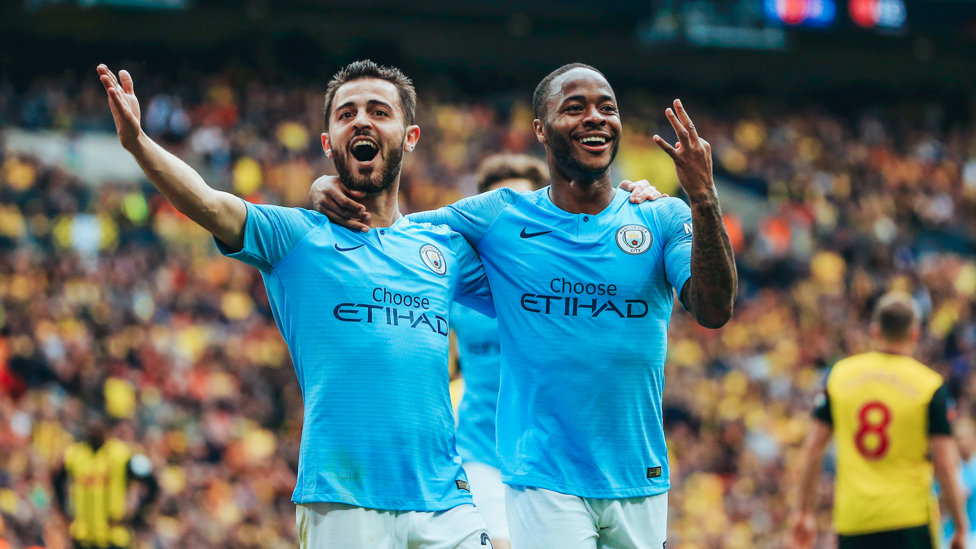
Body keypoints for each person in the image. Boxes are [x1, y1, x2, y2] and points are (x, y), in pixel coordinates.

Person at [311, 62, 737, 549]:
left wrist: (703, 198)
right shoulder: (501, 217)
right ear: (540, 129)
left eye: (607, 108)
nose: (595, 118)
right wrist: (329, 189)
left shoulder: (661, 215)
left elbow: (714, 309)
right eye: (574, 108)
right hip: (538, 474)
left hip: (639, 471)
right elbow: (390, 229)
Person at [97, 60, 497, 548]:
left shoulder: (444, 247)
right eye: (346, 114)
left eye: (378, 111)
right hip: (342, 500)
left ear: (410, 136)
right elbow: (206, 201)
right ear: (328, 142)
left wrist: (617, 209)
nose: (362, 121)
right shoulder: (295, 236)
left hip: (446, 501)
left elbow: (540, 267)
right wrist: (138, 142)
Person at [789, 291, 968, 549]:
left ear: (874, 331)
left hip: (855, 520)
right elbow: (945, 463)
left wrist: (803, 512)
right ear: (914, 334)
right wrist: (960, 527)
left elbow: (813, 448)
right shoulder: (929, 386)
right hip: (909, 519)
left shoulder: (840, 377)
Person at [53, 414, 158, 549]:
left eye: (99, 429)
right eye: (92, 429)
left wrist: (137, 514)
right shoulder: (75, 454)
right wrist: (64, 509)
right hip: (83, 534)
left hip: (113, 535)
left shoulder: (121, 455)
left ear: (107, 431)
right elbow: (58, 481)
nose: (95, 433)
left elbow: (150, 482)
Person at [943, 419, 976, 548]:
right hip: (948, 536)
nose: (962, 442)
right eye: (958, 438)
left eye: (966, 438)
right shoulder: (948, 468)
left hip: (972, 535)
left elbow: (960, 494)